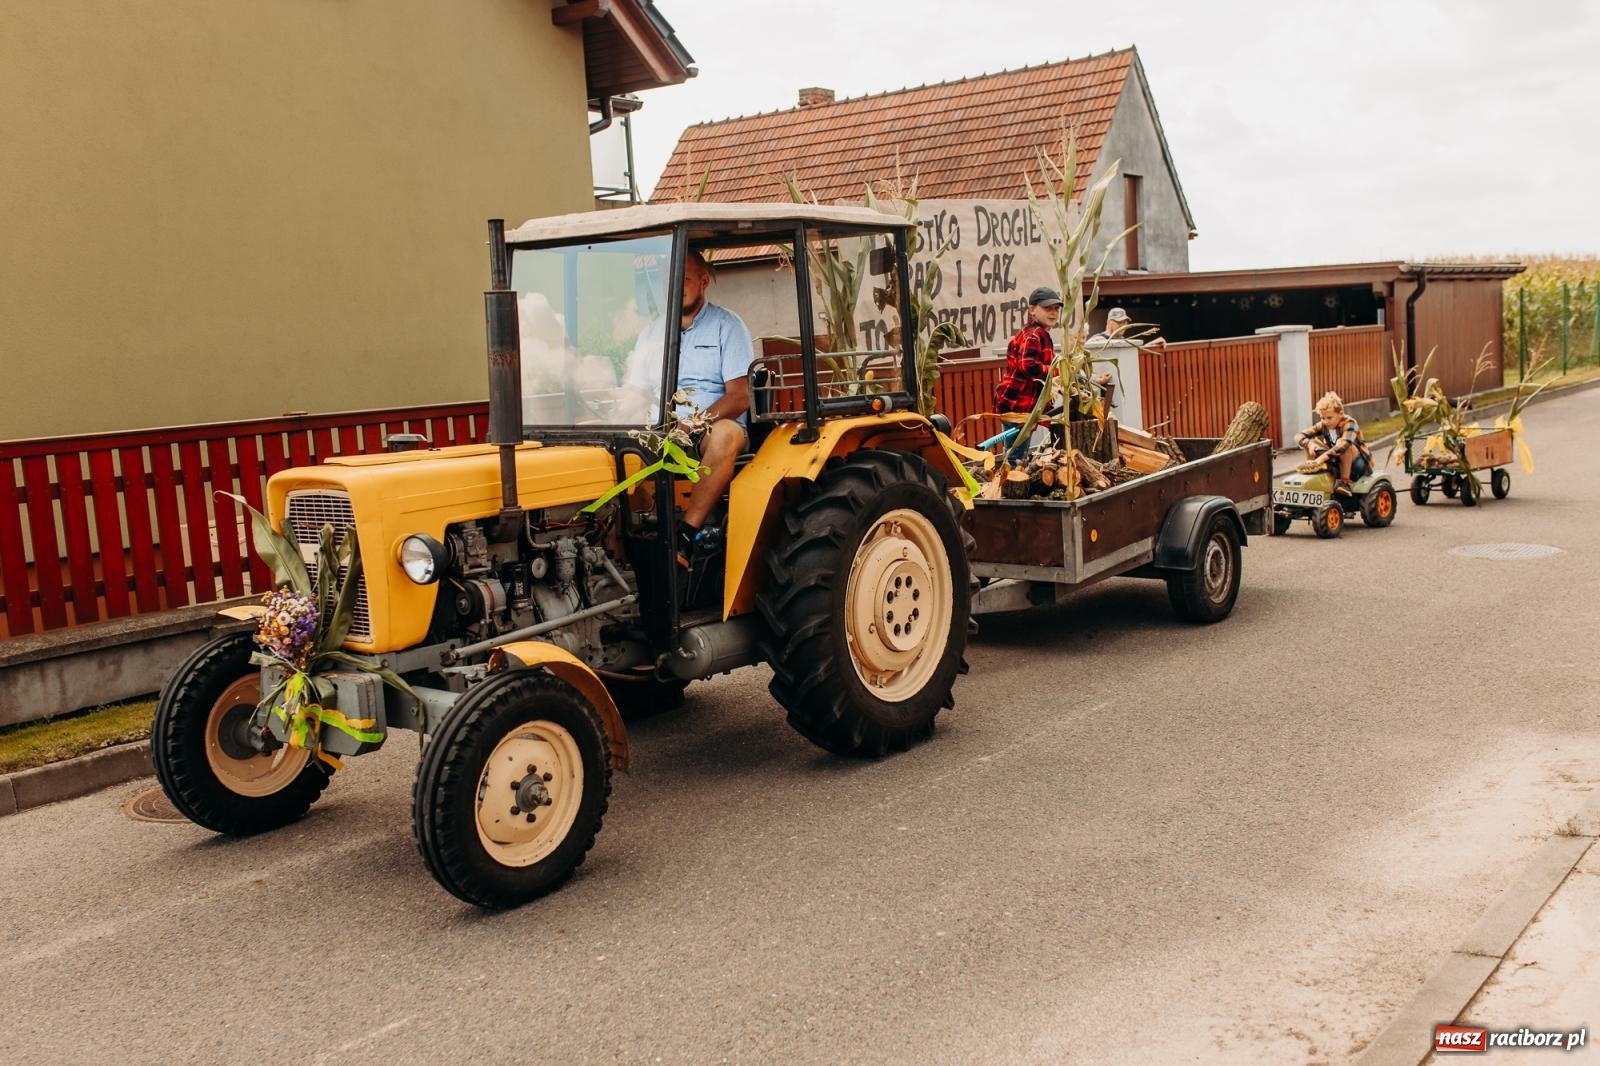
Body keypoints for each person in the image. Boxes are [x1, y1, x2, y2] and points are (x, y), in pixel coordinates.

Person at [624, 250, 753, 566]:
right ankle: (630, 535)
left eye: (684, 279)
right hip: (660, 429)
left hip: (711, 427)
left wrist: (693, 423)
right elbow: (636, 394)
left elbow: (739, 397)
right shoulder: (651, 334)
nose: (675, 287)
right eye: (669, 281)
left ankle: (686, 535)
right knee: (615, 447)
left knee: (725, 436)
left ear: (704, 281)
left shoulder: (727, 326)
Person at [994, 286, 1063, 416]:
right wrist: (1058, 371)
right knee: (1019, 437)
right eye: (1047, 308)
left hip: (1019, 402)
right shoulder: (1034, 334)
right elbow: (1028, 366)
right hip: (1018, 402)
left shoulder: (1036, 333)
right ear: (1032, 310)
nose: (1053, 313)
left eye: (1056, 309)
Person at [1296, 391, 1372, 496]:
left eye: (1329, 418)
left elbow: (1343, 446)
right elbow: (1299, 435)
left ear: (1340, 414)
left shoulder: (1350, 423)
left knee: (1344, 445)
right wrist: (1310, 445)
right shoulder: (1324, 425)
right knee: (1312, 441)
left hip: (1357, 464)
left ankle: (1344, 483)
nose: (1326, 421)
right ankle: (1312, 468)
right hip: (1336, 459)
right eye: (1322, 418)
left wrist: (1321, 459)